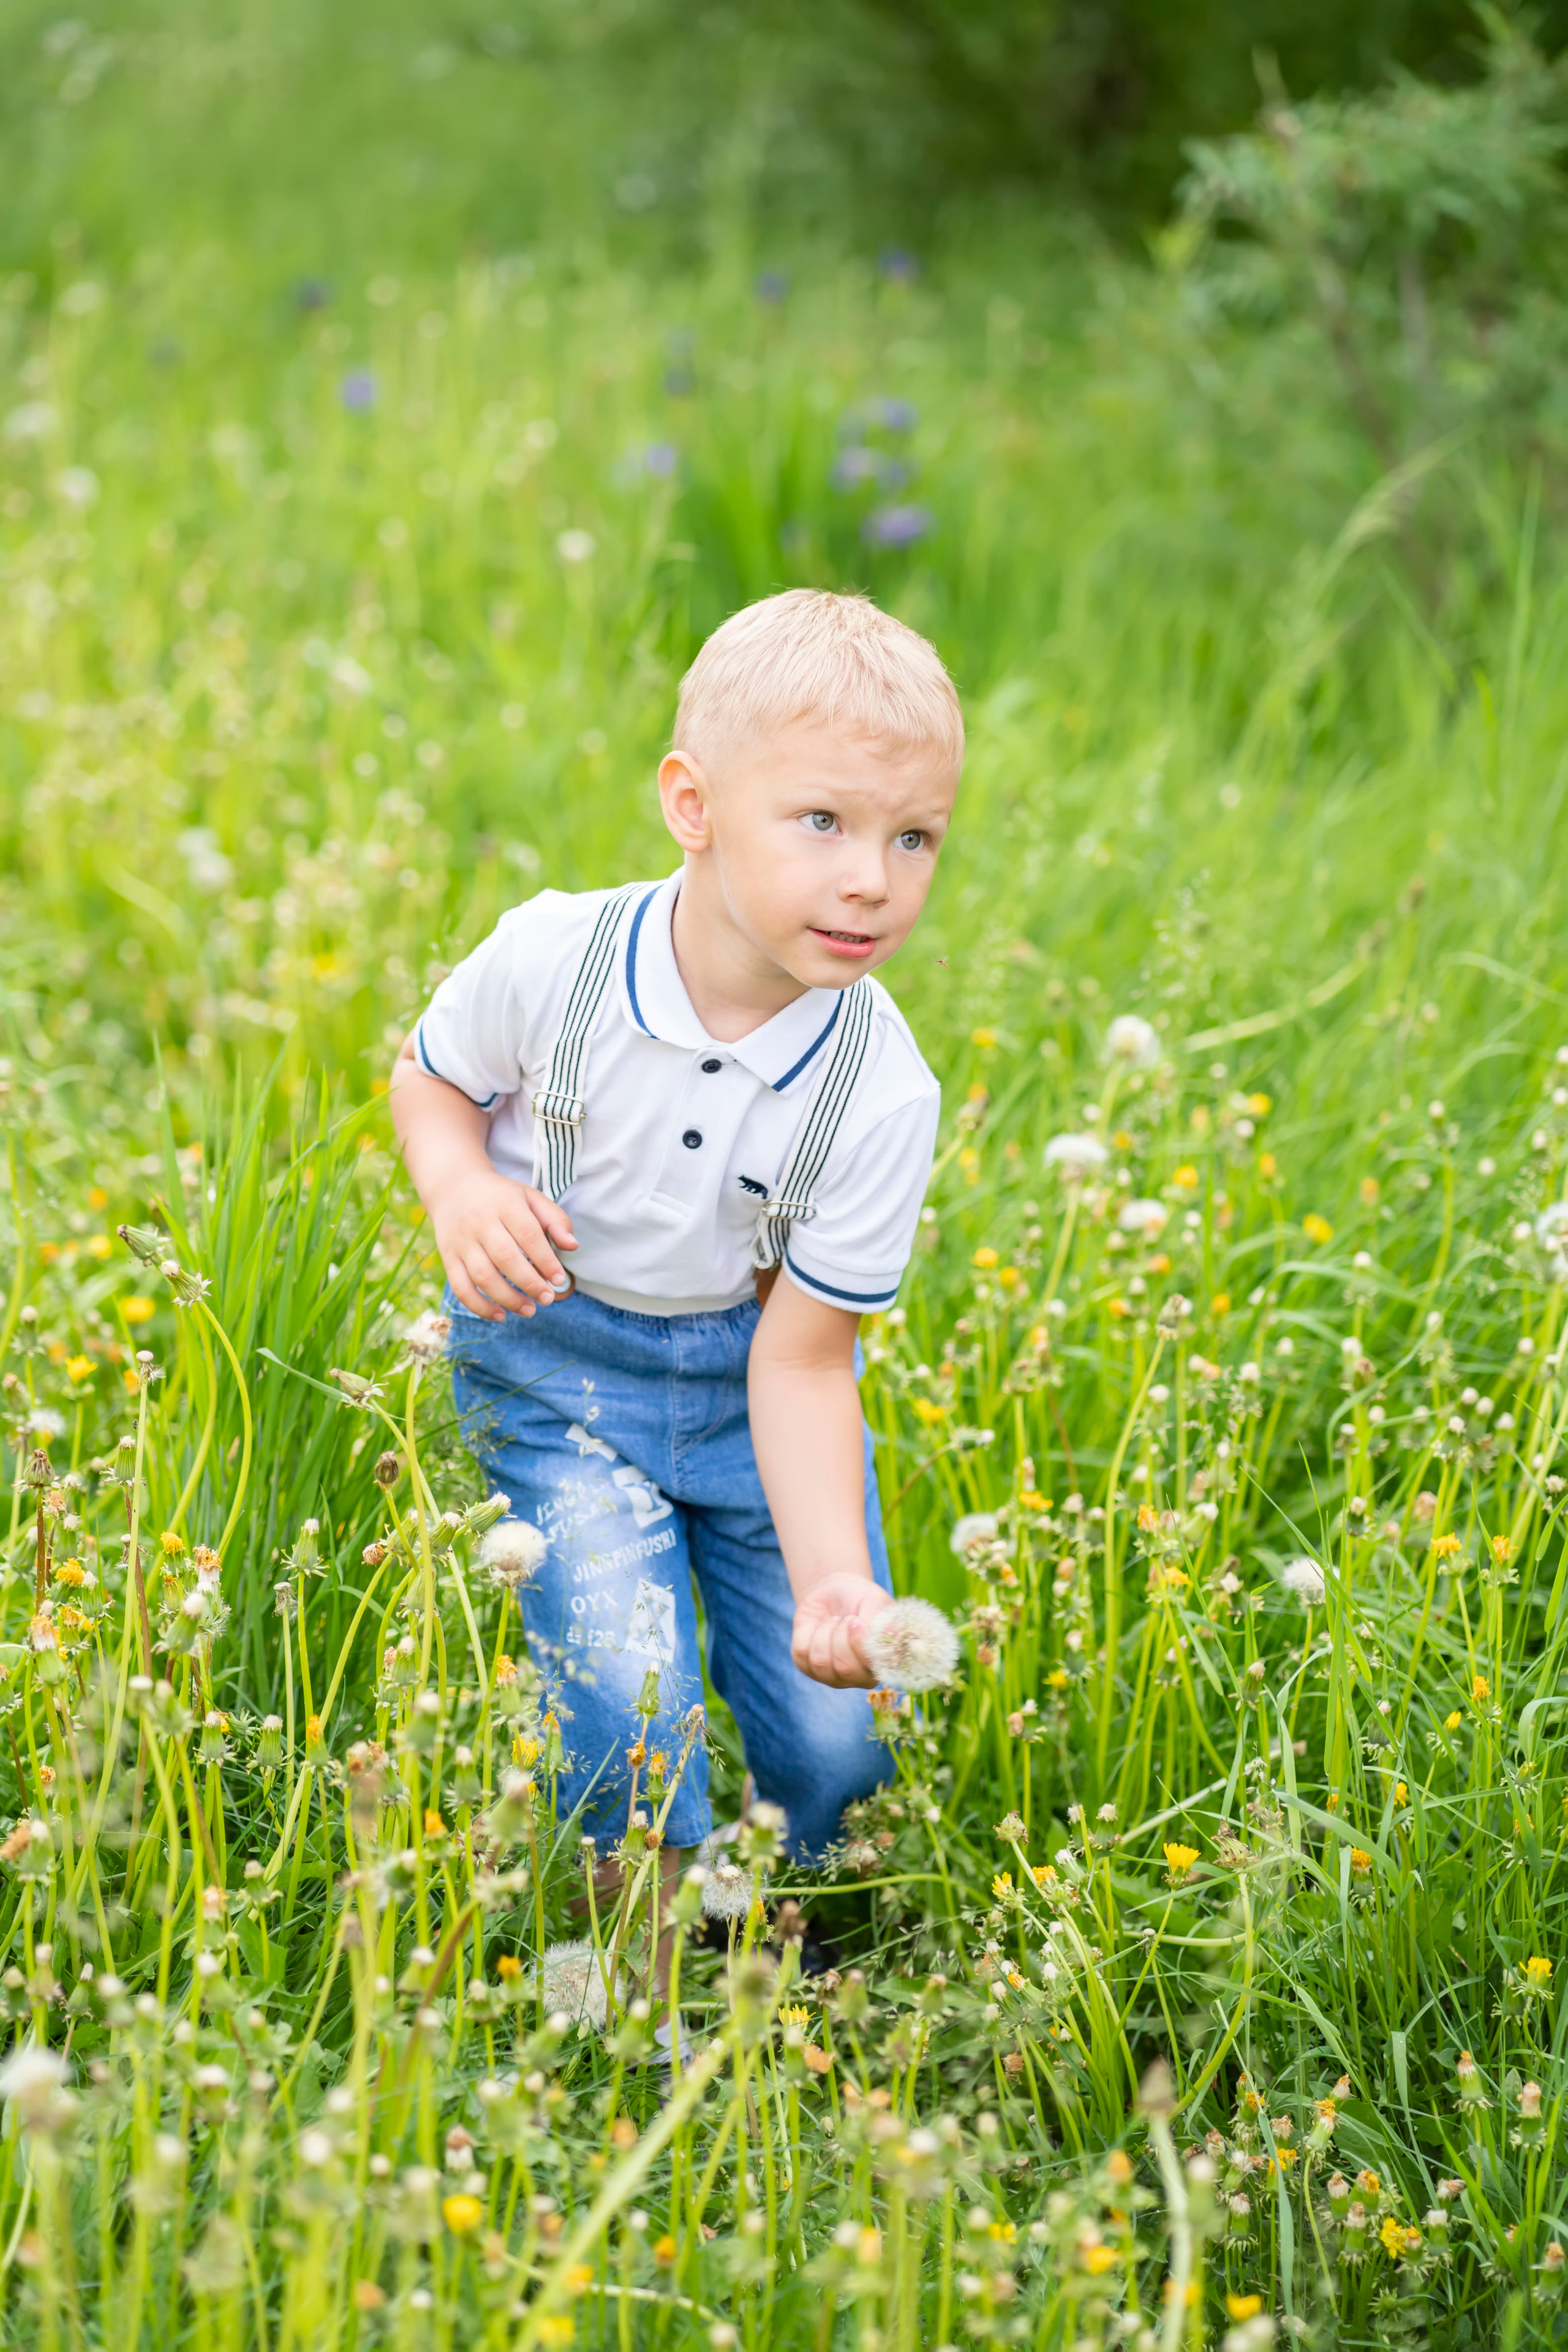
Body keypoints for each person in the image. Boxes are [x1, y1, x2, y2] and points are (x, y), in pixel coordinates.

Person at [389, 588, 962, 1870]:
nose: (871, 879)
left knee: (839, 1743)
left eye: (915, 837)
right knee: (626, 1712)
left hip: (750, 1388)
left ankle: (789, 1927)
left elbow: (806, 1358)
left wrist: (831, 1579)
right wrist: (460, 1189)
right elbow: (431, 1081)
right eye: (822, 822)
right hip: (554, 1374)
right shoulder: (555, 959)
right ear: (691, 807)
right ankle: (629, 2001)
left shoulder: (877, 1088)